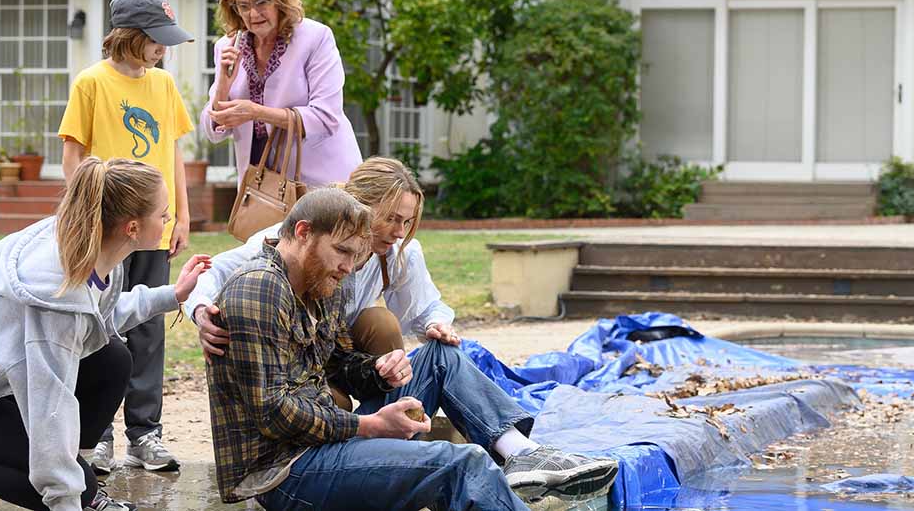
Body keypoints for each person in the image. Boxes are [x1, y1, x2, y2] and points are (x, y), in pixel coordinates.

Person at [207, 188, 618, 510]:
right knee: (462, 463)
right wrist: (372, 426)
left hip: (323, 442)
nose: (349, 267)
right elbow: (273, 414)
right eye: (343, 252)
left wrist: (379, 372)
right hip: (285, 475)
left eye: (356, 255)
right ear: (302, 233)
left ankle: (522, 454)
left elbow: (338, 364)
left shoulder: (318, 283)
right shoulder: (259, 288)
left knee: (440, 357)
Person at [0, 157, 210, 511]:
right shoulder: (56, 298)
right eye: (163, 214)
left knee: (112, 358)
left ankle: (63, 467)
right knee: (73, 488)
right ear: (132, 227)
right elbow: (50, 403)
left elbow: (97, 317)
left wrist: (172, 295)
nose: (168, 221)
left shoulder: (90, 246)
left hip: (0, 388)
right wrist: (69, 492)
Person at [186, 157, 457, 410]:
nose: (399, 232)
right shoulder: (292, 240)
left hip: (342, 351)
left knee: (381, 323)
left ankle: (389, 417)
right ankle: (360, 434)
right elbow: (214, 270)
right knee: (336, 405)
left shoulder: (398, 252)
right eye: (391, 219)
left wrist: (435, 324)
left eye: (407, 222)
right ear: (360, 203)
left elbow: (423, 307)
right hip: (299, 355)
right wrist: (201, 311)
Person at [58, 0, 197, 474]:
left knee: (149, 330)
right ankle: (95, 436)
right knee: (98, 327)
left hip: (154, 229)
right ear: (129, 37)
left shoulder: (163, 85)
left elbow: (174, 152)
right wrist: (84, 218)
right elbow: (73, 157)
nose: (164, 49)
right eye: (157, 40)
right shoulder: (91, 83)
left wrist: (180, 215)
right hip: (107, 231)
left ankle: (146, 434)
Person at [201, 0, 362, 186]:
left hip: (323, 183)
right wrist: (223, 88)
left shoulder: (315, 38)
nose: (253, 14)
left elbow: (326, 117)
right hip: (260, 189)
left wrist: (256, 112)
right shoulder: (227, 46)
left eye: (262, 2)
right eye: (243, 6)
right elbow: (213, 130)